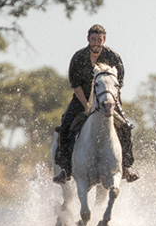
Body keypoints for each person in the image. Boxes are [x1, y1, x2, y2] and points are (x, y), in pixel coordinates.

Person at [53, 24, 139, 184]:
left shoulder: (113, 56)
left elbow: (118, 84)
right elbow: (75, 84)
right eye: (93, 40)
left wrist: (111, 103)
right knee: (64, 127)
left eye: (99, 40)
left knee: (126, 126)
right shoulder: (78, 57)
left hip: (108, 99)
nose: (96, 43)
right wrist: (87, 105)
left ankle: (127, 167)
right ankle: (65, 169)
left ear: (104, 40)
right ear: (88, 39)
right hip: (82, 98)